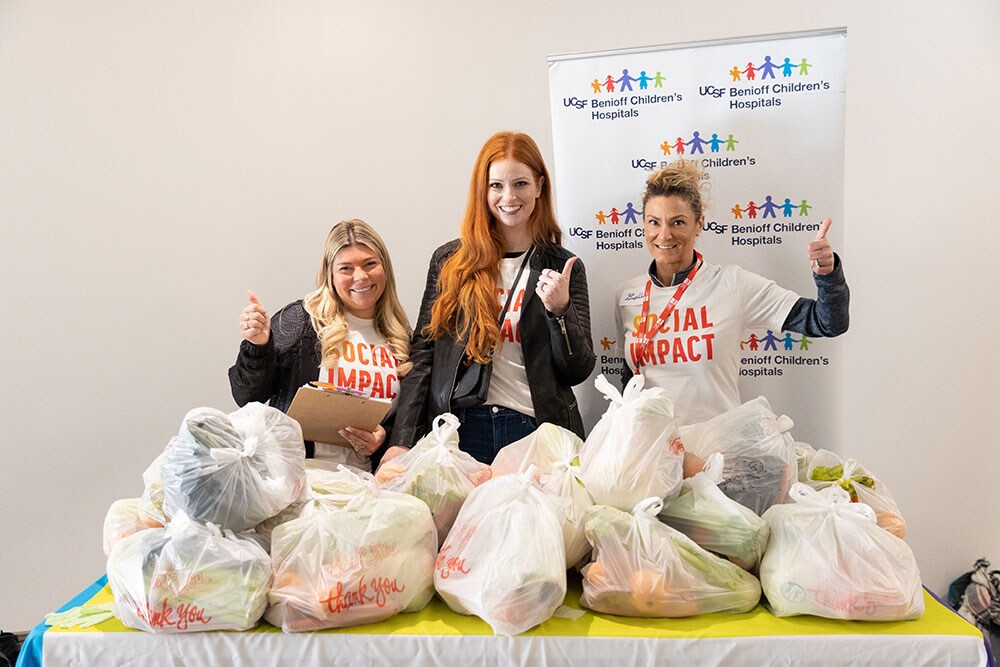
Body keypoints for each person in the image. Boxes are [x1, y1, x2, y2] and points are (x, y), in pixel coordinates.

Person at [388, 131, 596, 465]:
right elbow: (424, 357)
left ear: (540, 186)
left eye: (521, 184)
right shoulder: (450, 262)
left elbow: (578, 370)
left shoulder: (562, 267)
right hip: (461, 429)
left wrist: (560, 311)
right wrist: (402, 441)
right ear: (482, 190)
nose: (508, 196)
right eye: (496, 185)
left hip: (535, 431)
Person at [615, 159, 849, 426]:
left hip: (716, 453)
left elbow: (828, 321)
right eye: (654, 222)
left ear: (699, 223)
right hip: (652, 452)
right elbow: (631, 376)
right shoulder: (628, 295)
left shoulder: (731, 284)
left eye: (678, 222)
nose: (664, 235)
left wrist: (827, 275)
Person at [228, 219, 412, 472]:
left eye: (370, 264)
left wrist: (384, 437)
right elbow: (246, 395)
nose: (361, 276)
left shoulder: (400, 336)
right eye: (346, 268)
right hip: (298, 477)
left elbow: (408, 419)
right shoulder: (301, 321)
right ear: (330, 275)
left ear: (385, 268)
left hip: (366, 485)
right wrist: (257, 346)